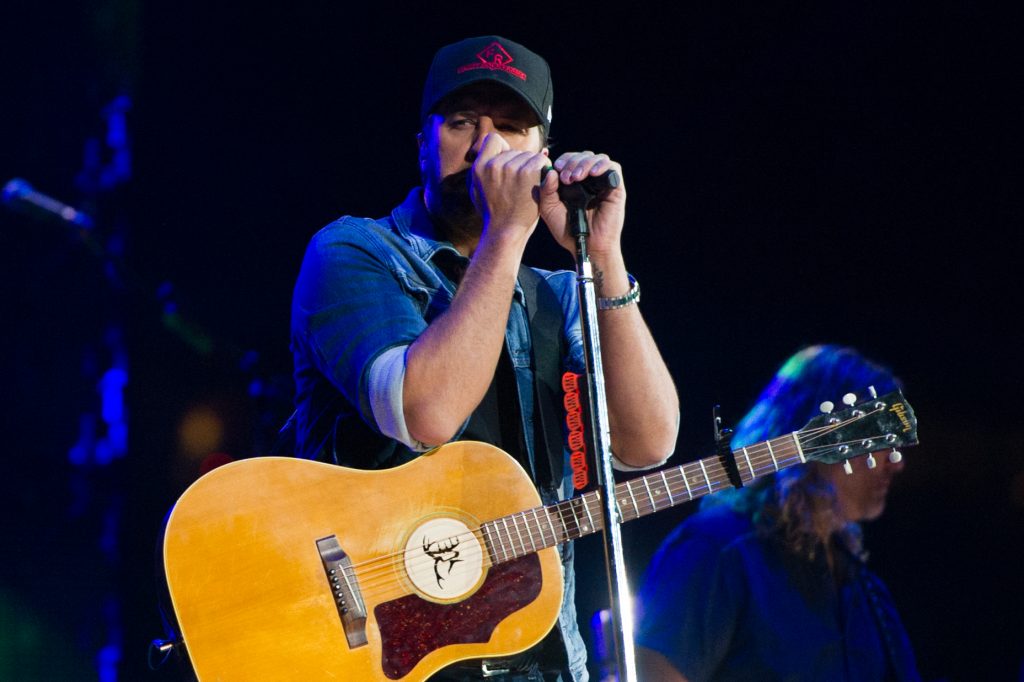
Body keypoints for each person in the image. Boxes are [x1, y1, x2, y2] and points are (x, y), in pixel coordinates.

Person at [290, 35, 679, 681]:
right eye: (463, 122)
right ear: (422, 141)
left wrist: (603, 256)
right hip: (385, 657)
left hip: (545, 661)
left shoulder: (561, 293)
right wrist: (507, 231)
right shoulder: (353, 253)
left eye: (512, 127)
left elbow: (647, 444)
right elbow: (425, 415)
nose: (486, 148)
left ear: (543, 155)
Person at [635, 344, 920, 682]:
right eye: (877, 438)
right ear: (829, 433)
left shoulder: (862, 584)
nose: (895, 462)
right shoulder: (716, 549)